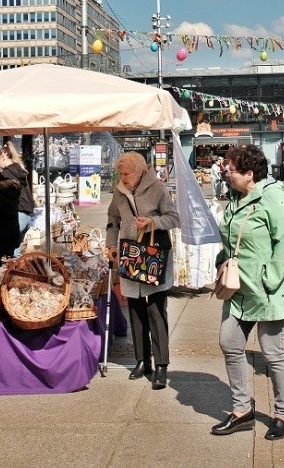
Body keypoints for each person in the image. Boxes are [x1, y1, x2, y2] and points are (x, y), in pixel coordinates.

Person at [211, 145, 284, 441]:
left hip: (267, 290)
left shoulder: (274, 197)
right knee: (229, 342)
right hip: (238, 289)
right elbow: (230, 238)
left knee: (273, 354)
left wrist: (267, 280)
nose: (226, 172)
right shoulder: (235, 196)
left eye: (231, 169)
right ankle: (242, 410)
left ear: (250, 174)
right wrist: (222, 261)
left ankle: (282, 414)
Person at [105, 151, 179, 390]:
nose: (123, 178)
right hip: (130, 253)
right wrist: (110, 244)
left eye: (126, 174)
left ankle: (161, 365)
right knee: (135, 308)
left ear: (138, 172)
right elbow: (113, 217)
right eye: (120, 174)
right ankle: (141, 360)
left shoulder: (157, 187)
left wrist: (152, 223)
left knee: (156, 310)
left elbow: (173, 217)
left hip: (154, 253)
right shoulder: (119, 190)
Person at [0, 142, 36, 236]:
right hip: (26, 217)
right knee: (16, 249)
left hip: (16, 215)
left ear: (3, 157)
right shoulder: (19, 169)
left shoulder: (6, 174)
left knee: (5, 247)